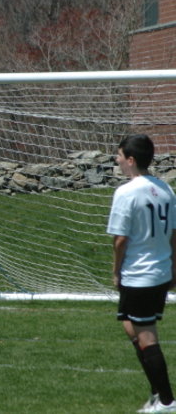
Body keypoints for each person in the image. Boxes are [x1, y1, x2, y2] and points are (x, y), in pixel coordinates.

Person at [107, 134, 176, 413]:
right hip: (158, 272)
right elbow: (174, 235)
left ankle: (167, 401)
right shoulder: (166, 189)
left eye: (120, 155)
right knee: (129, 325)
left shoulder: (126, 192)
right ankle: (157, 392)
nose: (117, 160)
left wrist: (116, 271)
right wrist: (173, 268)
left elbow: (120, 240)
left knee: (146, 335)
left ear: (131, 160)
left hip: (140, 275)